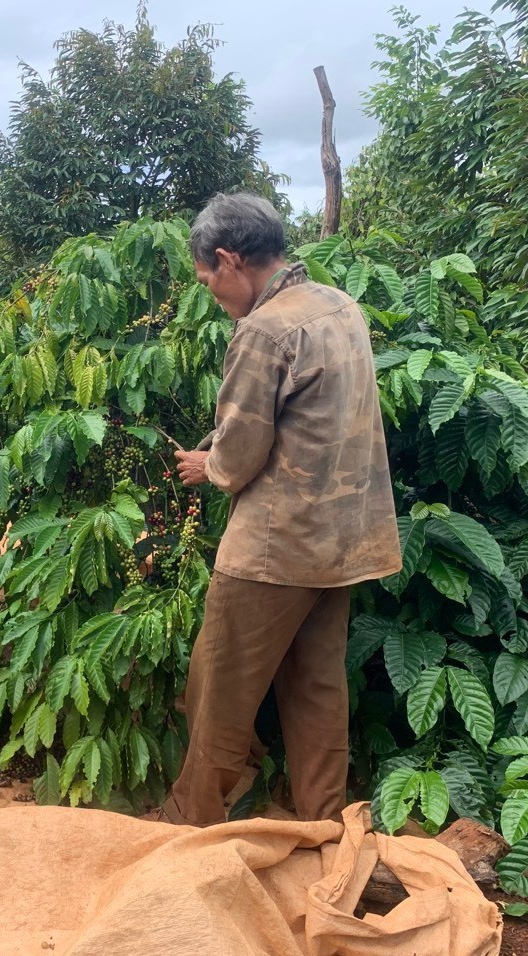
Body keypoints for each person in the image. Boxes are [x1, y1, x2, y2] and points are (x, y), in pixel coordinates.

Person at [161, 192, 402, 825]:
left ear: (228, 259)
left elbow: (240, 453)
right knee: (316, 691)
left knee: (218, 691)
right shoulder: (337, 305)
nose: (214, 296)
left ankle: (191, 827)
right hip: (344, 542)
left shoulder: (265, 330)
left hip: (275, 547)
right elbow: (308, 420)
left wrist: (205, 465)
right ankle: (326, 829)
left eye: (210, 283)